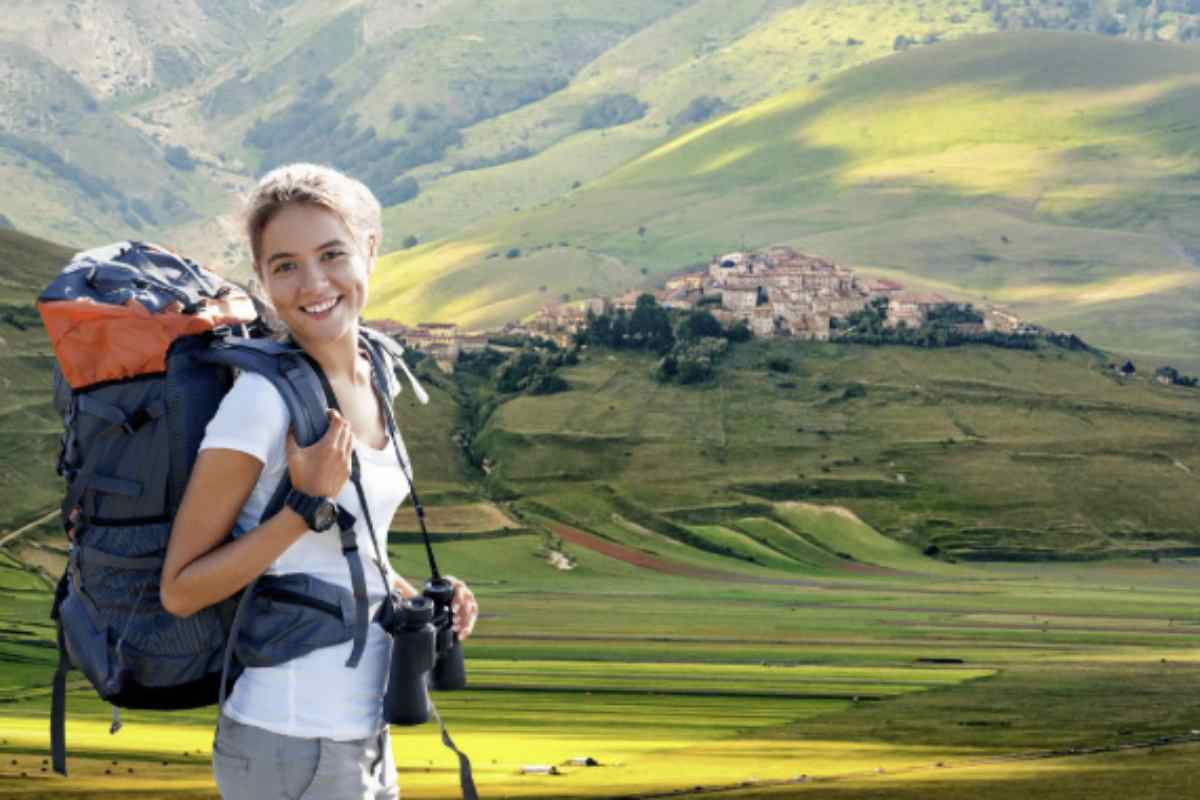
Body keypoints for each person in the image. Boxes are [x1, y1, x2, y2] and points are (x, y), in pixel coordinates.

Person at [160, 163, 477, 800]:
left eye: (332, 253)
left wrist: (419, 594)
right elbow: (181, 590)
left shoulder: (376, 373)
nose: (313, 283)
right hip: (288, 737)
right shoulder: (260, 404)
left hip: (364, 733)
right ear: (264, 280)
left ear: (370, 248)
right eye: (285, 266)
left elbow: (347, 555)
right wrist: (304, 506)